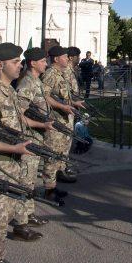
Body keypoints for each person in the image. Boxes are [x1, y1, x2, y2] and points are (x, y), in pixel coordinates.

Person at [0, 42, 51, 263]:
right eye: (15, 62)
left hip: (11, 164)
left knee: (3, 218)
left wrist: (35, 130)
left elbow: (19, 120)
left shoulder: (8, 89)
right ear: (0, 64)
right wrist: (13, 148)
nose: (20, 65)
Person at [15, 47, 53, 229]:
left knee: (30, 179)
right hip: (28, 139)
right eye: (43, 61)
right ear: (33, 63)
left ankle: (28, 214)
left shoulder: (35, 82)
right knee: (25, 180)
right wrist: (41, 125)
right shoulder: (27, 84)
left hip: (36, 138)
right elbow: (19, 115)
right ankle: (21, 222)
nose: (46, 63)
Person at [41, 46, 84, 197]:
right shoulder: (50, 74)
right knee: (52, 154)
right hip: (55, 120)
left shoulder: (60, 73)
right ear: (57, 59)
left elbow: (64, 95)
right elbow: (44, 96)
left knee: (61, 152)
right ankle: (49, 189)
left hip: (65, 119)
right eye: (65, 57)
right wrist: (61, 106)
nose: (68, 59)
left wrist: (73, 103)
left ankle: (54, 184)